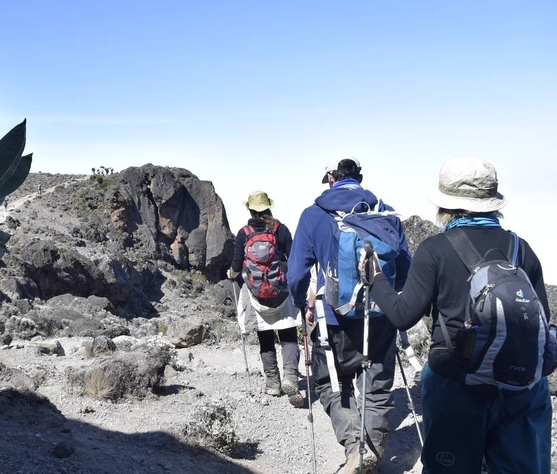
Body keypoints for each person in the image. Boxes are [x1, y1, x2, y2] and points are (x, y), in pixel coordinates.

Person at [367, 157, 552, 473]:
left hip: (457, 386)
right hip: (522, 387)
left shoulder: (435, 248)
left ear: (445, 205)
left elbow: (402, 316)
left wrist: (374, 277)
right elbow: (542, 326)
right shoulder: (522, 249)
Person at [287, 155, 412, 474]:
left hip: (333, 318)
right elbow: (406, 267)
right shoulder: (386, 211)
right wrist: (390, 300)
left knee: (329, 380)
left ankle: (354, 444)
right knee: (378, 381)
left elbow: (297, 273)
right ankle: (372, 449)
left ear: (330, 178)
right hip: (382, 314)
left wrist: (302, 303)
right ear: (359, 177)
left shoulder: (313, 214)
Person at [228, 190, 304, 408]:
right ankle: (291, 376)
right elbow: (295, 258)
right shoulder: (280, 229)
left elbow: (235, 267)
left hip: (257, 295)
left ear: (250, 209)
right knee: (288, 334)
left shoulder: (244, 233)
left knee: (265, 337)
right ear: (269, 207)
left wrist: (231, 275)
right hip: (281, 292)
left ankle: (272, 383)